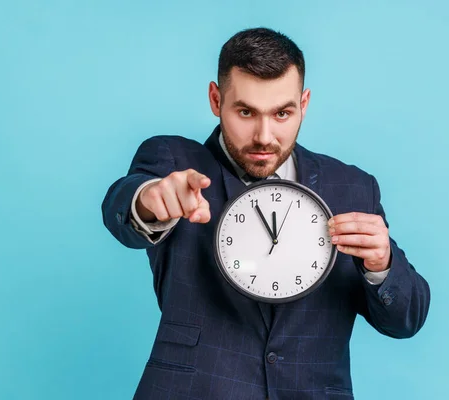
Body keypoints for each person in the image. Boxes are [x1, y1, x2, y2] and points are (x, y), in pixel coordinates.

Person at [102, 27, 430, 400]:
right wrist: (150, 200)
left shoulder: (353, 188)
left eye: (282, 113)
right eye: (245, 112)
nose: (263, 136)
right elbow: (124, 203)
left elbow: (407, 319)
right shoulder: (176, 161)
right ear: (215, 98)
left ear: (304, 104)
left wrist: (381, 264)